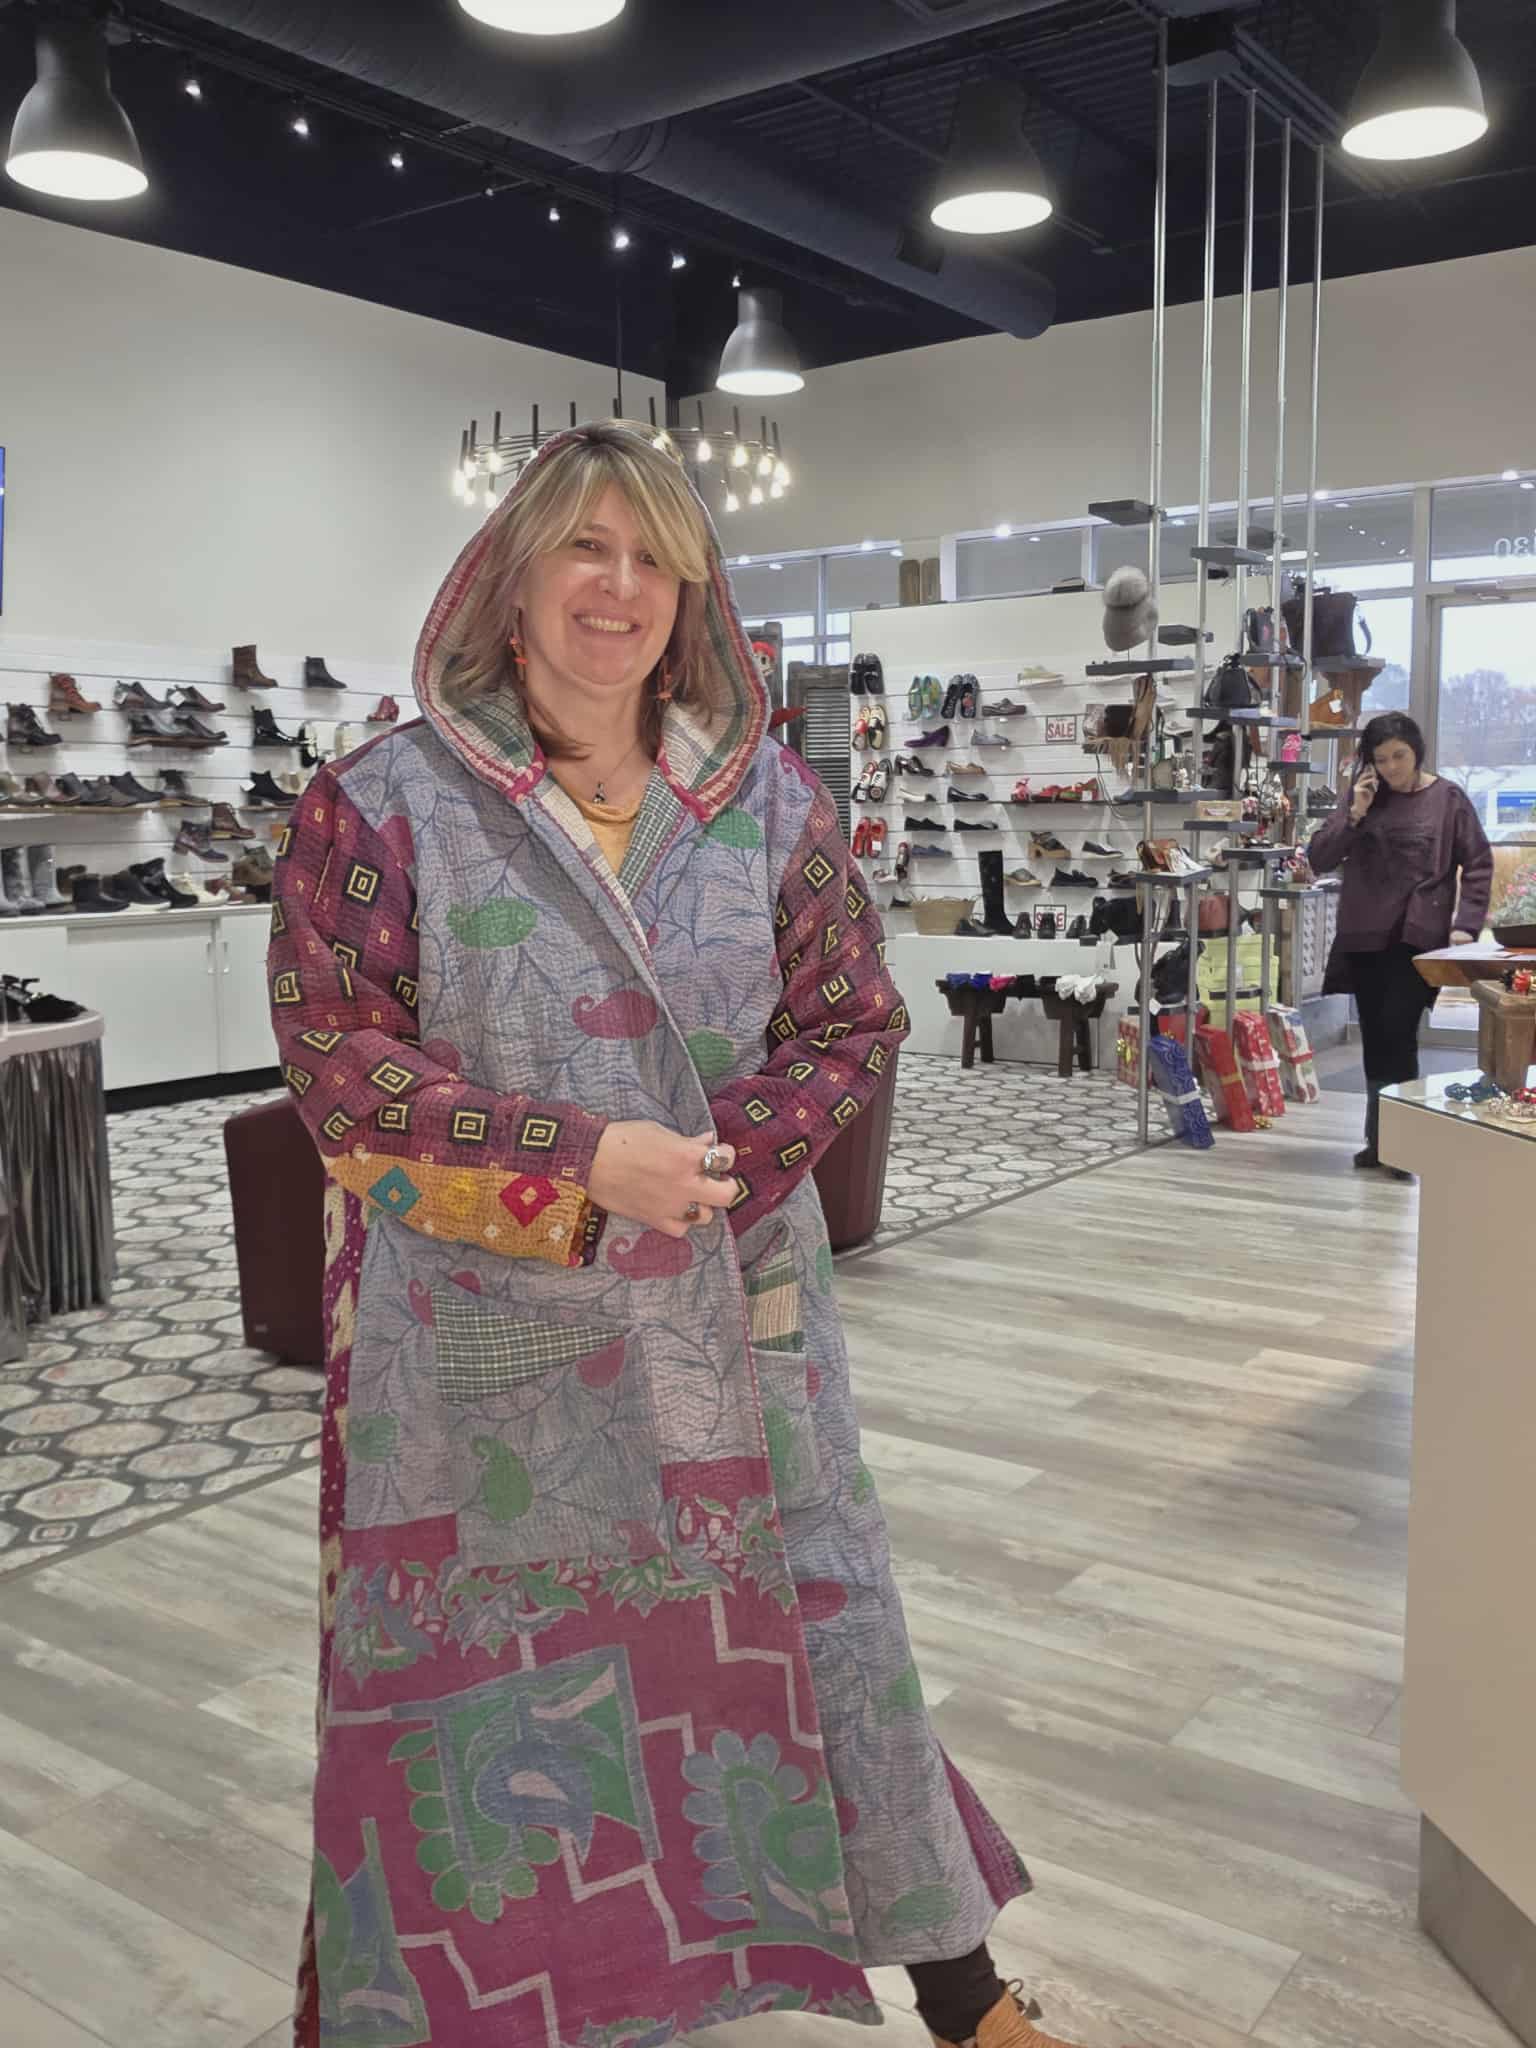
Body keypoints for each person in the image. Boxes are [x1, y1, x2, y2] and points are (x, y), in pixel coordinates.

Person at [268, 422, 1116, 2048]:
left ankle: (957, 1989)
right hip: (490, 1351)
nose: (620, 586)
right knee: (500, 1700)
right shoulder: (379, 804)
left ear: (692, 594)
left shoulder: (763, 803)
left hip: (739, 1314)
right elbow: (343, 1071)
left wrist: (716, 1177)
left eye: (655, 556)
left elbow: (851, 1018)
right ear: (511, 576)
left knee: (820, 1632)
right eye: (586, 547)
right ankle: (518, 2007)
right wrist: (583, 1162)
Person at [1309, 710, 1491, 1173]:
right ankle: (1380, 1141)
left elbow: (1478, 863)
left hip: (1418, 938)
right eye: (1381, 759)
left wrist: (1466, 925)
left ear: (1417, 752)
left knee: (1399, 1034)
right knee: (1376, 1039)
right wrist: (1354, 814)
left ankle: (1400, 1144)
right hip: (1365, 935)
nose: (1391, 767)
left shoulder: (1448, 799)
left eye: (1399, 756)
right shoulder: (1363, 798)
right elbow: (1320, 857)